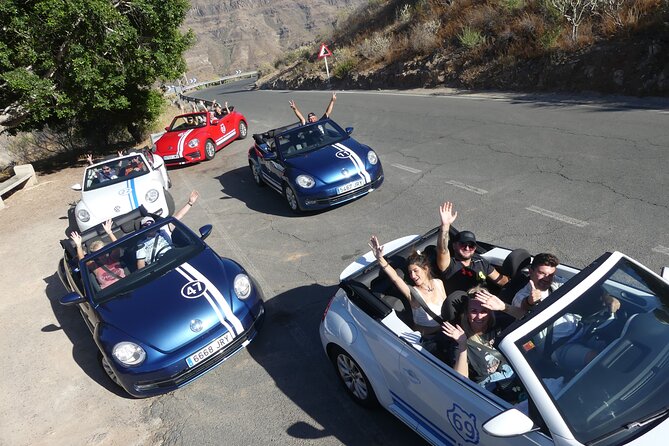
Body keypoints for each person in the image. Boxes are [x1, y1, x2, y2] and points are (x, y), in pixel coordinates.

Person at [436, 201, 509, 322]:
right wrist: (445, 227)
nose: (467, 248)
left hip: (488, 305)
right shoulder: (449, 265)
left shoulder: (480, 261)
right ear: (454, 246)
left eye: (471, 245)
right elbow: (442, 250)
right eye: (463, 244)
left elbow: (501, 280)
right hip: (466, 312)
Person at [369, 235, 448, 336]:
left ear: (426, 269)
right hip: (429, 338)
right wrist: (380, 258)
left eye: (415, 271)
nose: (413, 276)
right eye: (410, 272)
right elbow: (396, 278)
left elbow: (448, 309)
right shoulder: (412, 293)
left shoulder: (438, 283)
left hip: (449, 333)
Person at [441, 286, 515, 390]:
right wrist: (462, 345)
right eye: (474, 311)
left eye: (484, 311)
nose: (479, 316)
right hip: (490, 391)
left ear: (490, 312)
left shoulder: (499, 324)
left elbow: (526, 320)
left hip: (512, 378)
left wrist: (505, 307)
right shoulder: (459, 337)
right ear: (466, 313)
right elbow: (460, 380)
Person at [136, 191, 199, 269]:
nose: (150, 226)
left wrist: (190, 203)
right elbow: (140, 263)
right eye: (146, 225)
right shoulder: (141, 244)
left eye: (152, 224)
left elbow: (179, 216)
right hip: (160, 267)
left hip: (176, 259)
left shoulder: (164, 229)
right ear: (143, 228)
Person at [70, 219, 126, 289]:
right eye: (98, 253)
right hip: (109, 292)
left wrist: (109, 232)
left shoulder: (113, 258)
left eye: (102, 251)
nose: (101, 254)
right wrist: (78, 245)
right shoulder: (94, 266)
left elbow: (117, 246)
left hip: (125, 285)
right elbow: (82, 260)